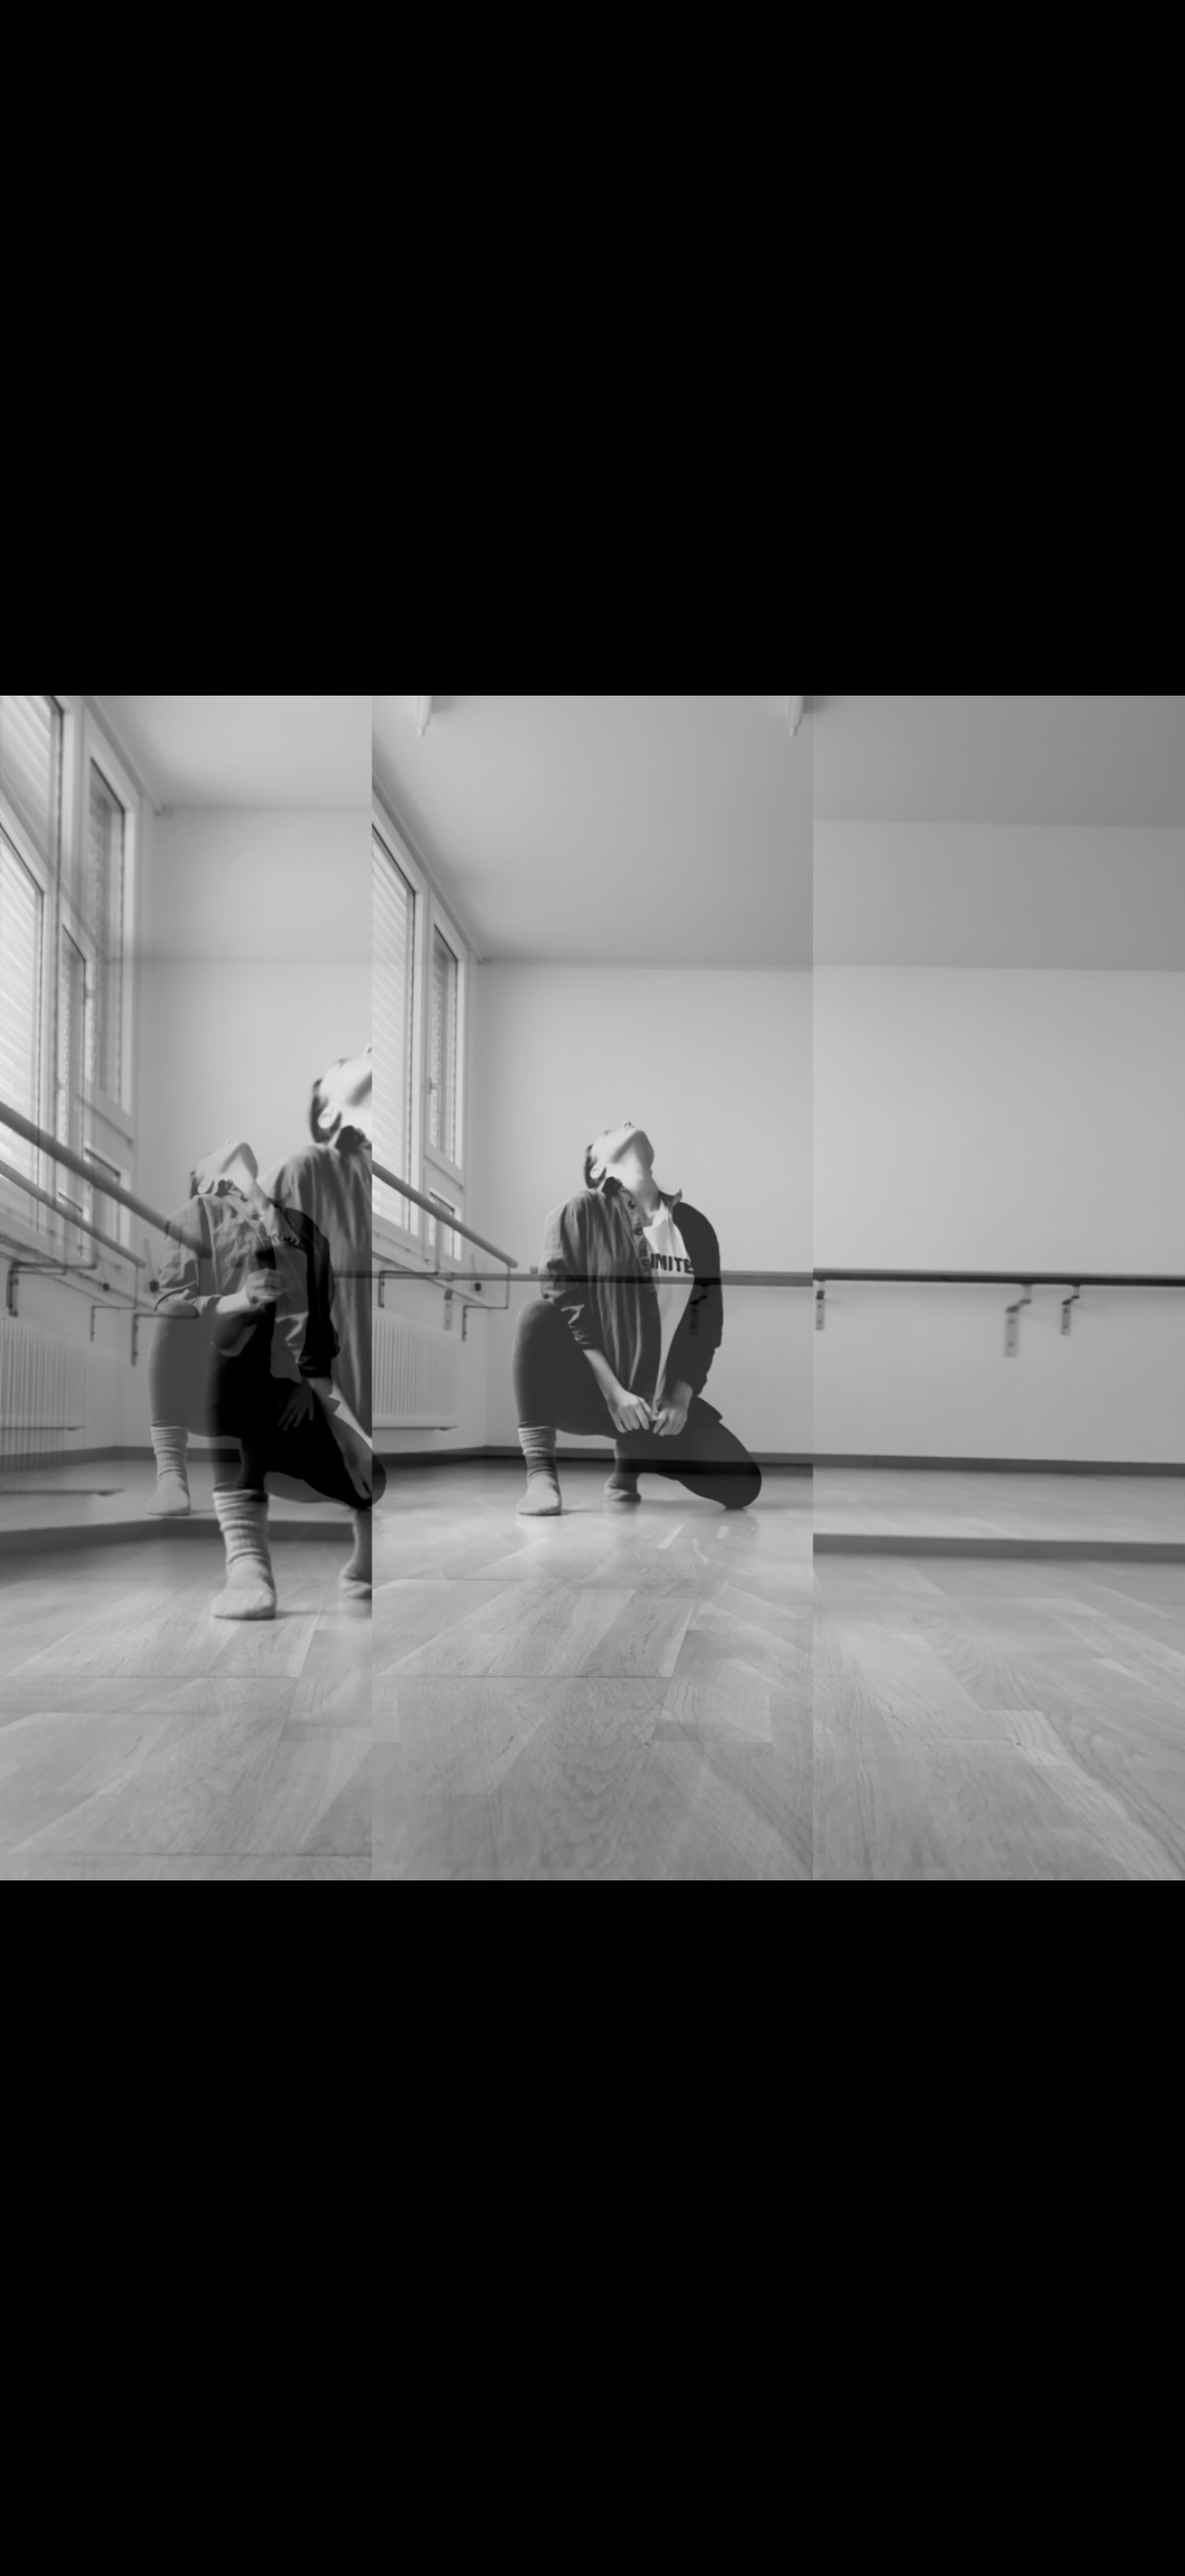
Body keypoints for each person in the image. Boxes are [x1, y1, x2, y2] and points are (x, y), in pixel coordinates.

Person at [156, 1138, 380, 1618]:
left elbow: (319, 1325)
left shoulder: (302, 1231)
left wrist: (306, 1387)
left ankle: (365, 1559)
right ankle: (243, 1558)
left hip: (285, 1392)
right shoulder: (195, 1214)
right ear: (204, 1179)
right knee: (239, 1324)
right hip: (217, 1380)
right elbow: (174, 1307)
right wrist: (240, 1300)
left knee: (368, 1477)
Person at [512, 1119, 762, 1518]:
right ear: (597, 1169)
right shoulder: (580, 1210)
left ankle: (631, 1458)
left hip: (654, 1409)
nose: (626, 1123)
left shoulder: (694, 1226)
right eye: (609, 1132)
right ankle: (540, 1473)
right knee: (538, 1315)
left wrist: (680, 1398)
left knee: (742, 1484)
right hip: (586, 1393)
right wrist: (614, 1393)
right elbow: (562, 1297)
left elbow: (706, 1322)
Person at [261, 1047, 377, 1587]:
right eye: (348, 1064)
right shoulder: (307, 1169)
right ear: (330, 1114)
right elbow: (283, 1294)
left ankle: (369, 1547)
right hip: (317, 1371)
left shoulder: (376, 1177)